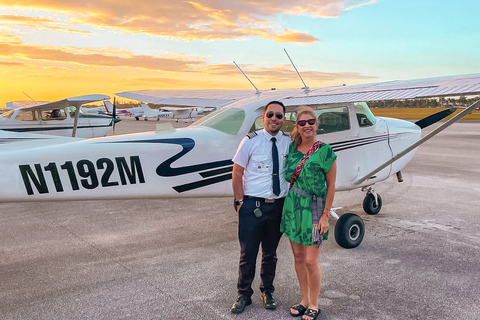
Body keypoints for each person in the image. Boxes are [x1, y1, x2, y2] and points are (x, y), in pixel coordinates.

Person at [230, 101, 291, 314]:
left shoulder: (288, 142)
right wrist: (239, 201)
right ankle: (243, 295)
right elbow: (237, 172)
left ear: (284, 119)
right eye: (270, 114)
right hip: (252, 205)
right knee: (248, 253)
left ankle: (268, 291)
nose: (274, 118)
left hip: (278, 206)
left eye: (279, 116)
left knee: (270, 253)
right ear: (263, 117)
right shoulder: (250, 141)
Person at [280, 106, 337, 320]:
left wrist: (326, 214)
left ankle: (314, 302)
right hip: (293, 207)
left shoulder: (325, 150)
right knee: (298, 257)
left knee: (311, 261)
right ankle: (304, 299)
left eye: (310, 122)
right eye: (302, 123)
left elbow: (331, 186)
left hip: (314, 210)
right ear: (297, 126)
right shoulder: (292, 149)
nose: (307, 126)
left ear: (316, 124)